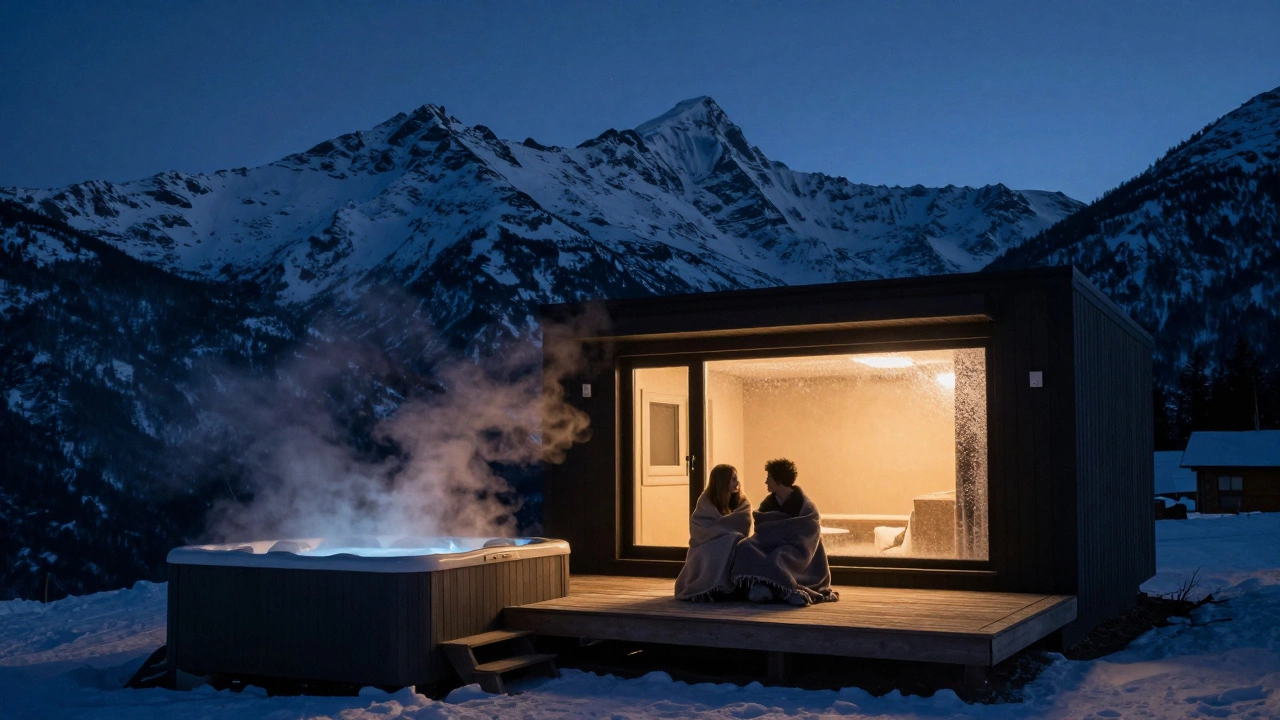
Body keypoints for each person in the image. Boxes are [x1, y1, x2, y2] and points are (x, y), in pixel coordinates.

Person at [729, 458, 838, 606]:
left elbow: (807, 534)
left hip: (795, 548)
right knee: (745, 547)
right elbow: (763, 530)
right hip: (769, 545)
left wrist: (781, 539)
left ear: (779, 481)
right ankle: (760, 586)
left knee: (778, 557)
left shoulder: (806, 506)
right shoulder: (768, 504)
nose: (766, 482)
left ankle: (786, 590)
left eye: (769, 478)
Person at [674, 464, 752, 601]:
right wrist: (722, 535)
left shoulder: (742, 502)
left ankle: (730, 587)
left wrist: (726, 536)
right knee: (715, 548)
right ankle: (712, 587)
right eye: (733, 479)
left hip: (731, 544)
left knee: (735, 539)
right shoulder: (706, 502)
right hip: (705, 544)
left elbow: (742, 525)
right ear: (723, 482)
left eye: (737, 478)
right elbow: (700, 530)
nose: (737, 482)